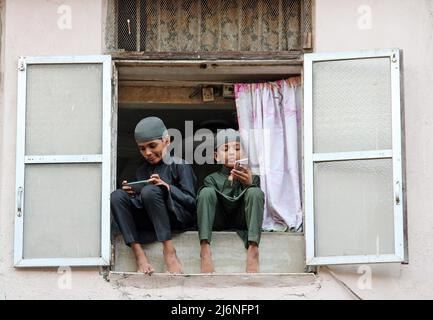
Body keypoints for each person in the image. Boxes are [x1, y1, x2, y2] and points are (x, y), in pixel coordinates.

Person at [110, 117, 197, 275]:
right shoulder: (141, 170)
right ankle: (139, 254)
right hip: (152, 220)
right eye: (142, 149)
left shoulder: (180, 165)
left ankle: (169, 252)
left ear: (167, 141)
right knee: (117, 195)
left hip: (176, 218)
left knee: (150, 190)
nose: (148, 153)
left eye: (152, 146)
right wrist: (131, 194)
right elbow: (141, 202)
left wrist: (167, 188)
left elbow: (191, 202)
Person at [196, 129, 264, 273]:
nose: (232, 152)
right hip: (219, 219)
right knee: (206, 192)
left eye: (237, 148)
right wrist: (230, 181)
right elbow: (210, 203)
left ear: (244, 154)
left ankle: (253, 250)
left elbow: (255, 204)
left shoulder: (253, 177)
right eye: (226, 149)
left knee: (255, 191)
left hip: (241, 219)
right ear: (216, 156)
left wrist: (249, 183)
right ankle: (205, 249)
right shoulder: (211, 178)